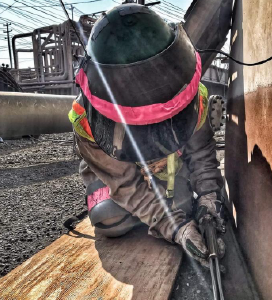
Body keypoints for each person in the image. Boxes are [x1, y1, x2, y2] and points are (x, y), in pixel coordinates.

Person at [69, 3, 225, 266]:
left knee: (186, 206)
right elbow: (125, 184)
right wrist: (176, 229)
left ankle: (169, 200)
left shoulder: (195, 98)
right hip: (120, 177)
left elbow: (201, 152)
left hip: (168, 171)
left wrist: (209, 196)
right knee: (108, 217)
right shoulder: (85, 121)